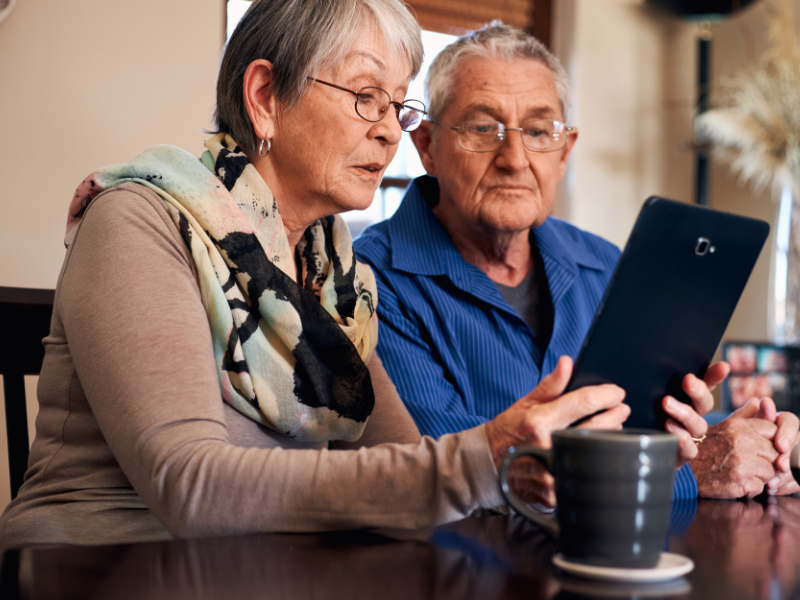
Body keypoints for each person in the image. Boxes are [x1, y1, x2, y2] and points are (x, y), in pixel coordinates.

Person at [0, 0, 640, 549]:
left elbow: (407, 474)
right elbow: (189, 487)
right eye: (366, 98)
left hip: (267, 569)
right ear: (265, 99)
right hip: (98, 567)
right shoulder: (140, 220)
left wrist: (528, 462)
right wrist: (481, 459)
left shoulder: (334, 277)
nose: (391, 133)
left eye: (397, 105)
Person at [354, 23, 800, 501]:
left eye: (540, 131)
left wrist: (742, 442)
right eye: (483, 128)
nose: (514, 158)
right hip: (460, 568)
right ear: (426, 148)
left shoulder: (605, 264)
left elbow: (651, 428)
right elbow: (444, 470)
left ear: (564, 151)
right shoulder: (366, 281)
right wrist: (689, 471)